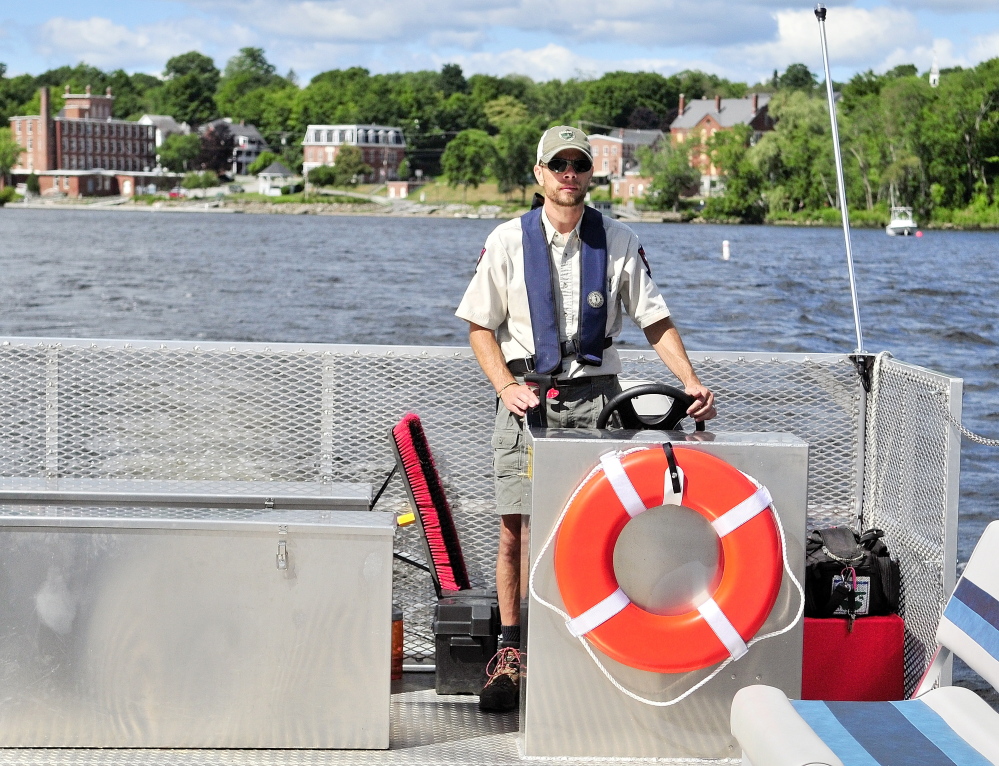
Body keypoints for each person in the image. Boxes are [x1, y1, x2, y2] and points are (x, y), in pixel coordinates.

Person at [455, 125, 716, 713]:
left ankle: (594, 645)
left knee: (602, 525)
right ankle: (512, 651)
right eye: (559, 164)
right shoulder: (504, 242)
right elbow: (479, 327)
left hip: (601, 401)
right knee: (516, 528)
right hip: (526, 397)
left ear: (589, 175)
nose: (569, 173)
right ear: (540, 175)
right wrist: (504, 386)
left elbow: (654, 321)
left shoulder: (618, 240)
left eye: (579, 163)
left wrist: (690, 380)